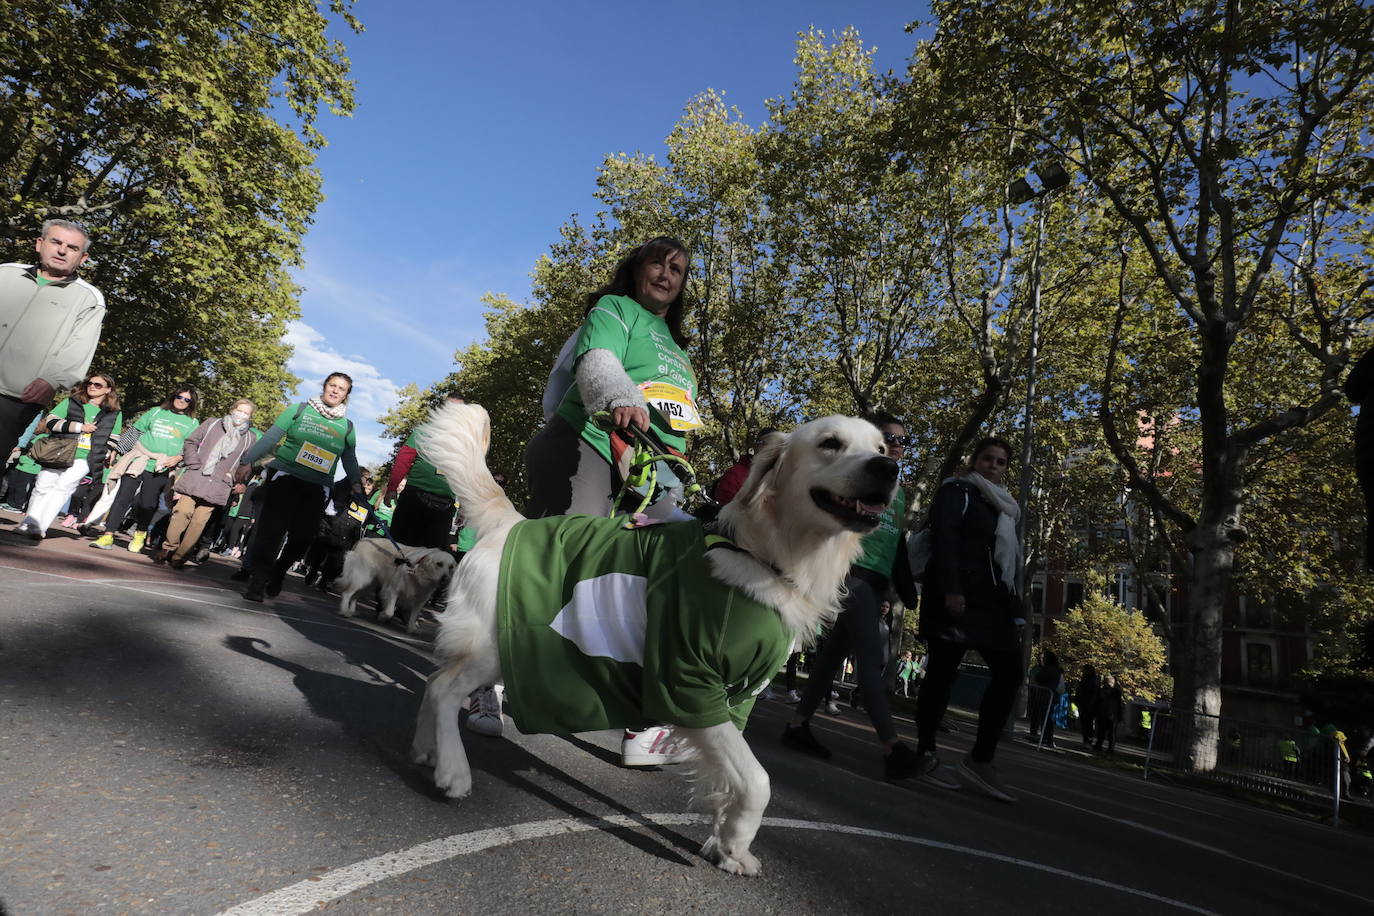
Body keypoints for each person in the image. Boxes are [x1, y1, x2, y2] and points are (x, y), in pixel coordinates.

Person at [523, 236, 700, 766]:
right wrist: (619, 397)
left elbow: (677, 420)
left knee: (661, 585)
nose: (667, 274)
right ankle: (496, 679)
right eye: (658, 263)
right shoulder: (614, 309)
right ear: (637, 269)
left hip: (651, 473)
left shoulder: (680, 350)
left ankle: (641, 724)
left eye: (678, 269)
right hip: (586, 441)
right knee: (562, 564)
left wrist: (675, 481)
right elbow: (597, 360)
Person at [782, 412, 923, 780]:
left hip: (875, 584)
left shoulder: (897, 491)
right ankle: (893, 747)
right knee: (871, 657)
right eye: (887, 438)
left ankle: (797, 726)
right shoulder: (851, 479)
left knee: (832, 658)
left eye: (899, 441)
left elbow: (895, 547)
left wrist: (895, 591)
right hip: (849, 576)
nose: (895, 445)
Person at [913, 435, 1024, 801]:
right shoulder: (957, 492)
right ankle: (925, 752)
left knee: (1010, 671)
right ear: (974, 460)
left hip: (990, 603)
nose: (993, 466)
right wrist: (952, 589)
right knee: (942, 674)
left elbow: (1003, 564)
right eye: (987, 459)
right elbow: (945, 538)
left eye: (1001, 462)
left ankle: (979, 760)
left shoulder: (1004, 506)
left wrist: (1014, 607)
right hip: (954, 596)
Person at [236, 372, 362, 602]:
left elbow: (350, 458)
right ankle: (258, 581)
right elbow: (270, 438)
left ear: (346, 395)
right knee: (270, 533)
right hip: (285, 478)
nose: (335, 391)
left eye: (341, 389)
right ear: (324, 386)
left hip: (317, 488)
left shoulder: (347, 426)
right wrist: (247, 461)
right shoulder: (299, 410)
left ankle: (279, 570)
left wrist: (356, 483)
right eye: (332, 385)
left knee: (302, 538)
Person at [0, 220, 106, 462]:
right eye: (56, 242)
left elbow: (78, 349)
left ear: (83, 258)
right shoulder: (5, 272)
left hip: (17, 398)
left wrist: (51, 380)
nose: (61, 250)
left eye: (72, 247)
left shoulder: (89, 299)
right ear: (40, 244)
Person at [89, 385, 200, 554]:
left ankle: (140, 533)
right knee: (122, 497)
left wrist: (179, 458)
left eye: (187, 400)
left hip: (161, 466)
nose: (182, 401)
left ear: (191, 403)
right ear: (173, 396)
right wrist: (117, 452)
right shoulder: (155, 412)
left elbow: (190, 447)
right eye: (179, 397)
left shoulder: (193, 423)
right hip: (139, 459)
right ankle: (108, 534)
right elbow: (135, 432)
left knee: (147, 504)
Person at [12, 373, 122, 541]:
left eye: (98, 385)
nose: (92, 386)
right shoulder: (72, 401)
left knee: (63, 488)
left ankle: (39, 527)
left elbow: (114, 437)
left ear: (108, 390)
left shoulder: (114, 413)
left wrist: (105, 452)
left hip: (86, 457)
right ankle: (28, 523)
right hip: (59, 450)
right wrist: (79, 427)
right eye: (90, 383)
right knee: (42, 486)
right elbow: (50, 421)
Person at [156, 399, 257, 568]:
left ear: (250, 416)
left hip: (219, 484)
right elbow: (190, 442)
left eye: (246, 413)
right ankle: (168, 548)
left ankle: (180, 555)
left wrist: (237, 479)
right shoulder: (213, 423)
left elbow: (246, 463)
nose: (241, 415)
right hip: (197, 476)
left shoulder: (250, 438)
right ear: (232, 409)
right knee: (181, 512)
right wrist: (193, 462)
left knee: (199, 521)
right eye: (239, 410)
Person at [711, 428, 777, 504]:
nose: (771, 450)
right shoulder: (735, 474)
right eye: (765, 444)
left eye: (775, 447)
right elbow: (726, 509)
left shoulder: (779, 478)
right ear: (757, 446)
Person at [1028, 649, 1065, 747]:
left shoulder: (1047, 669)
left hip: (1045, 695)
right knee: (1047, 717)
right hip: (1053, 696)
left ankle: (1045, 738)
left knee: (1044, 717)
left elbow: (1038, 678)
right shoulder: (1058, 670)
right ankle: (1048, 738)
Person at [1094, 673, 1125, 753]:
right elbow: (1120, 705)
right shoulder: (1116, 692)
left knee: (1103, 731)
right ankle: (1110, 748)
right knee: (1110, 733)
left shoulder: (1103, 691)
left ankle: (1101, 745)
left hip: (1105, 714)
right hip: (1111, 714)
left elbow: (1098, 702)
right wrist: (1120, 716)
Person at [1075, 664, 1100, 748]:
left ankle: (1088, 740)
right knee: (1084, 723)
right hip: (1084, 703)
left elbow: (1094, 693)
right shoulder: (1085, 679)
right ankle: (1086, 740)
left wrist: (1091, 703)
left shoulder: (1092, 680)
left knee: (1088, 723)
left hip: (1089, 704)